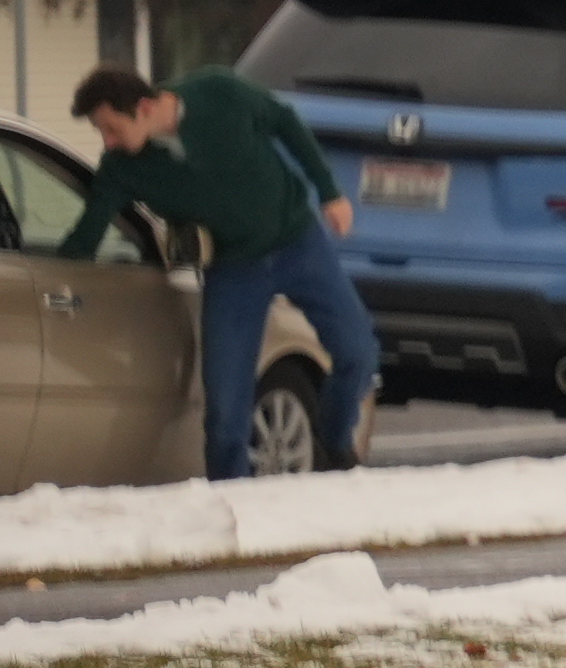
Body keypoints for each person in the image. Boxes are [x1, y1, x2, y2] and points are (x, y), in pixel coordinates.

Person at [53, 61, 376, 480]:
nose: (108, 141)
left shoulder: (220, 94)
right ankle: (230, 506)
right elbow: (87, 233)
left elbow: (284, 122)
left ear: (146, 107)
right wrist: (46, 272)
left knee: (357, 352)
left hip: (298, 242)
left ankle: (333, 441)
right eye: (101, 132)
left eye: (112, 128)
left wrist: (329, 191)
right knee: (225, 408)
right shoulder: (122, 169)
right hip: (235, 269)